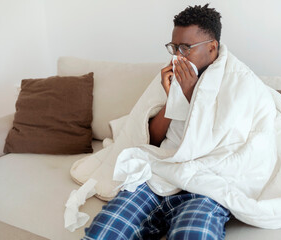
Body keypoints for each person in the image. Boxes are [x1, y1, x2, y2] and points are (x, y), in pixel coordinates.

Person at [83, 4, 231, 240]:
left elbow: (224, 146)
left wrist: (193, 94)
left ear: (212, 48)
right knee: (103, 234)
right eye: (174, 47)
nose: (178, 56)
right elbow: (150, 139)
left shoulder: (234, 82)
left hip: (203, 188)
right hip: (156, 177)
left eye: (185, 48)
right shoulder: (170, 75)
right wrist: (173, 99)